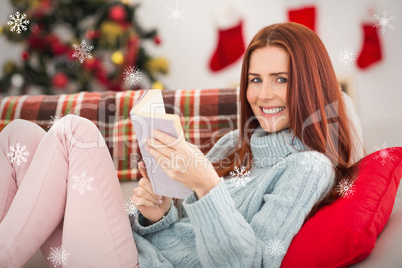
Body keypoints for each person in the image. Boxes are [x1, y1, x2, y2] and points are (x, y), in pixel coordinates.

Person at [0, 22, 364, 267]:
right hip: (132, 249)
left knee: (74, 133)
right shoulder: (233, 144)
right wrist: (154, 213)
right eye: (255, 79)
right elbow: (181, 230)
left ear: (309, 82)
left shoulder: (308, 168)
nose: (263, 94)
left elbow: (254, 262)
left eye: (280, 79)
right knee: (19, 135)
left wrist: (205, 184)